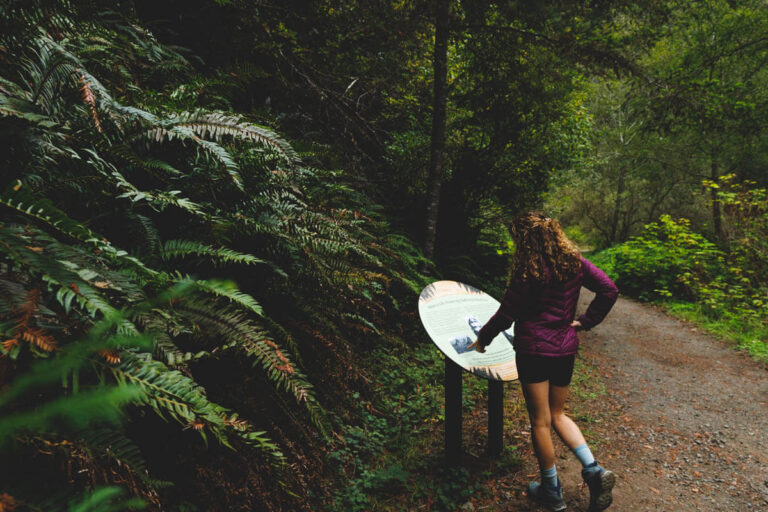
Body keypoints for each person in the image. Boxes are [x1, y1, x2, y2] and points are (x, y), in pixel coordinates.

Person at [467, 211, 619, 512]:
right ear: (554, 234)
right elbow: (609, 289)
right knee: (559, 414)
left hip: (534, 352)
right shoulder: (574, 261)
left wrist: (482, 339)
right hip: (564, 349)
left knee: (540, 421)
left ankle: (551, 491)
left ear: (523, 240)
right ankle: (594, 470)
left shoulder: (528, 272)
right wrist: (584, 322)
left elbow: (506, 314)